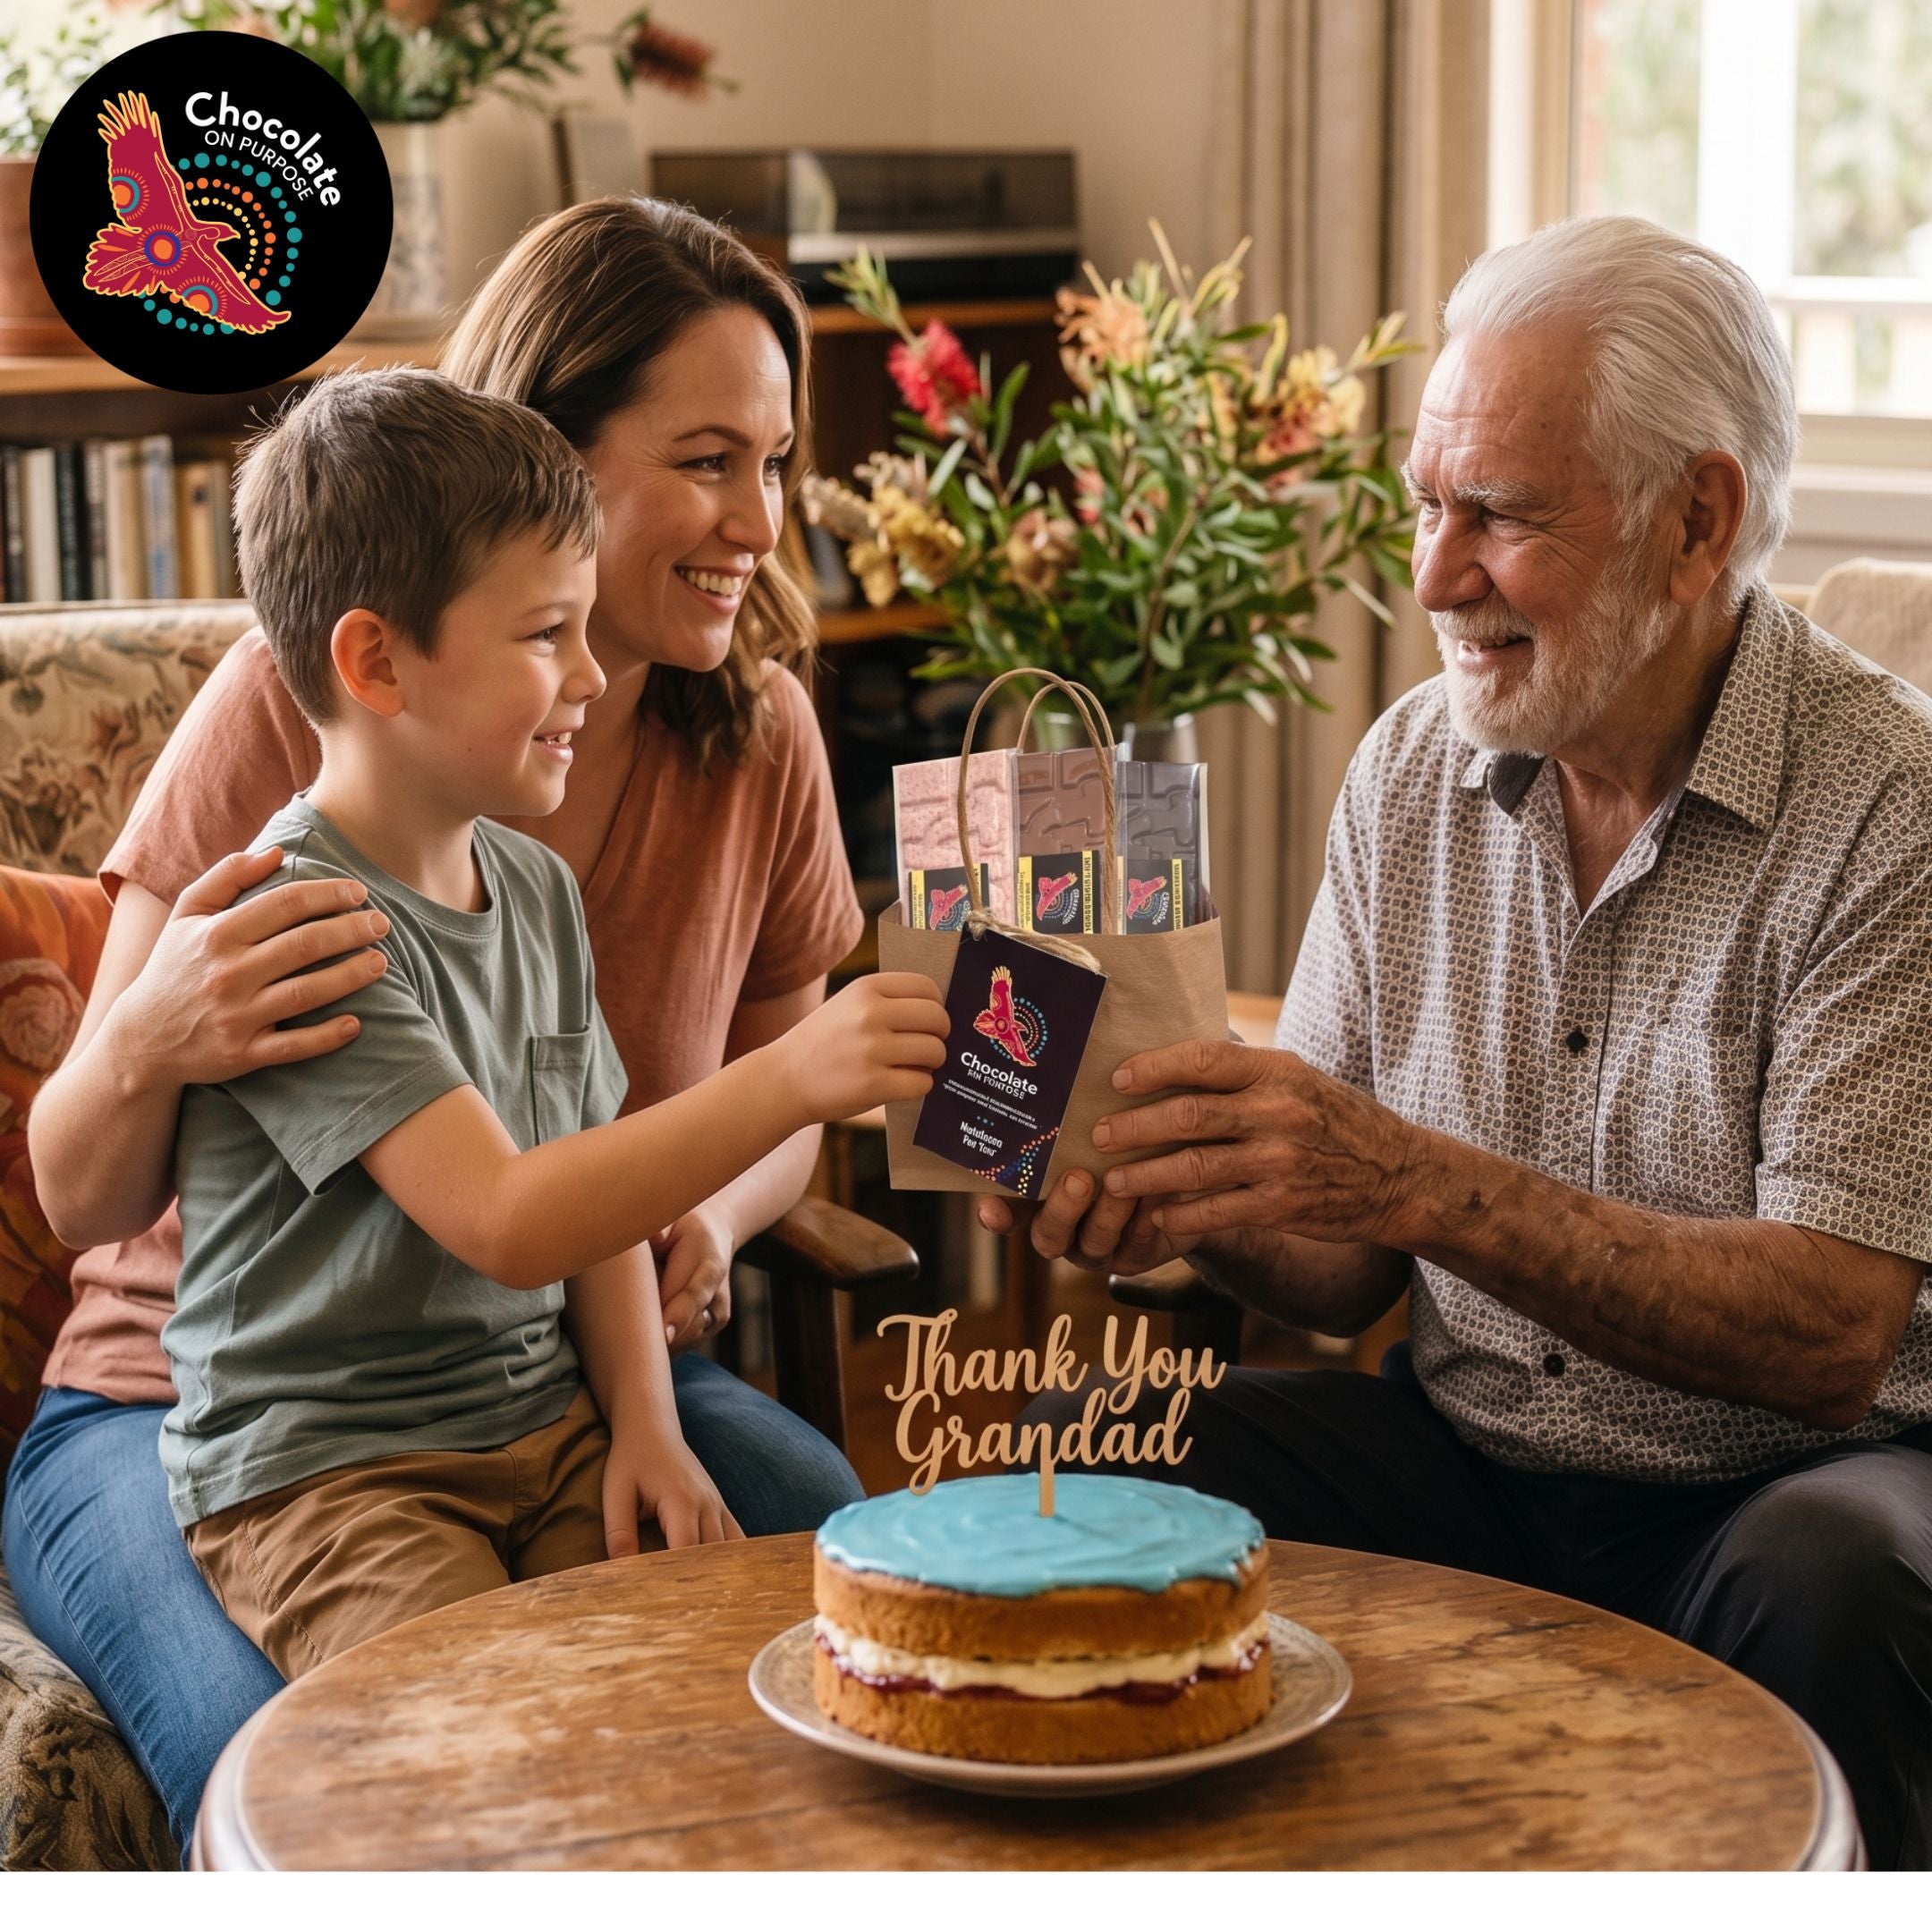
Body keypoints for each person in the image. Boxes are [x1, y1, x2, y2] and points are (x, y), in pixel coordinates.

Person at [990, 216, 1932, 1868]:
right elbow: (1344, 1269)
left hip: (1795, 1481)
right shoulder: (1416, 766)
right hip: (1473, 1450)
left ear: (1695, 520)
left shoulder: (1893, 807)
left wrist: (1417, 1184)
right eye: (1432, 503)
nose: (1434, 574)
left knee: (1837, 1579)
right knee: (1090, 1463)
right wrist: (1168, 1194)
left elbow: (1829, 1335)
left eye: (1498, 514)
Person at [3, 198, 875, 1852]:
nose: (759, 518)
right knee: (330, 1766)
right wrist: (149, 1036)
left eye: (777, 460)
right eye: (706, 459)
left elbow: (697, 1146)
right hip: (206, 1409)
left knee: (810, 1593)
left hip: (527, 1380)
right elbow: (85, 1193)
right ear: (545, 455)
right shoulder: (303, 729)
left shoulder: (745, 742)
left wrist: (698, 1222)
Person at [150, 366, 946, 1674]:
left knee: (700, 1682)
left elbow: (598, 1198)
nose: (589, 675)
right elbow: (513, 1219)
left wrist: (647, 1420)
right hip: (336, 1477)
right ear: (377, 661)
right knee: (475, 1735)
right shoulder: (300, 924)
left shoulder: (529, 885)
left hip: (547, 1423)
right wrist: (792, 1077)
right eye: (543, 638)